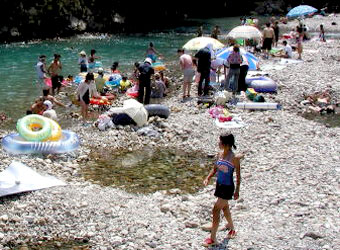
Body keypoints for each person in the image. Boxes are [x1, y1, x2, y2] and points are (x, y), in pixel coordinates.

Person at [202, 133, 241, 247]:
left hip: (228, 187)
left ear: (226, 144)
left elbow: (238, 176)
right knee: (225, 208)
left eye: (220, 142)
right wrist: (207, 178)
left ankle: (213, 238)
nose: (218, 143)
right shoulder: (219, 154)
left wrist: (237, 191)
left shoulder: (234, 158)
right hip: (219, 185)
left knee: (216, 210)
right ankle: (232, 229)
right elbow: (215, 169)